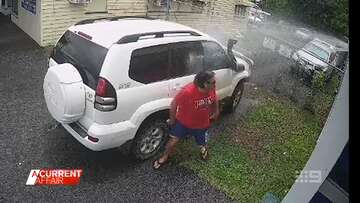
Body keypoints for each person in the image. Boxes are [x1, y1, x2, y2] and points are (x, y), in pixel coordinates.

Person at [153, 71, 220, 169]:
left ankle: (203, 150)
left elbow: (215, 99)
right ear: (204, 84)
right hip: (183, 124)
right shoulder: (187, 92)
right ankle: (165, 157)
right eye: (213, 82)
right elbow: (173, 104)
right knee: (172, 142)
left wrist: (216, 111)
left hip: (202, 124)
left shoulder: (211, 88)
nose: (215, 84)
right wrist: (172, 120)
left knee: (202, 142)